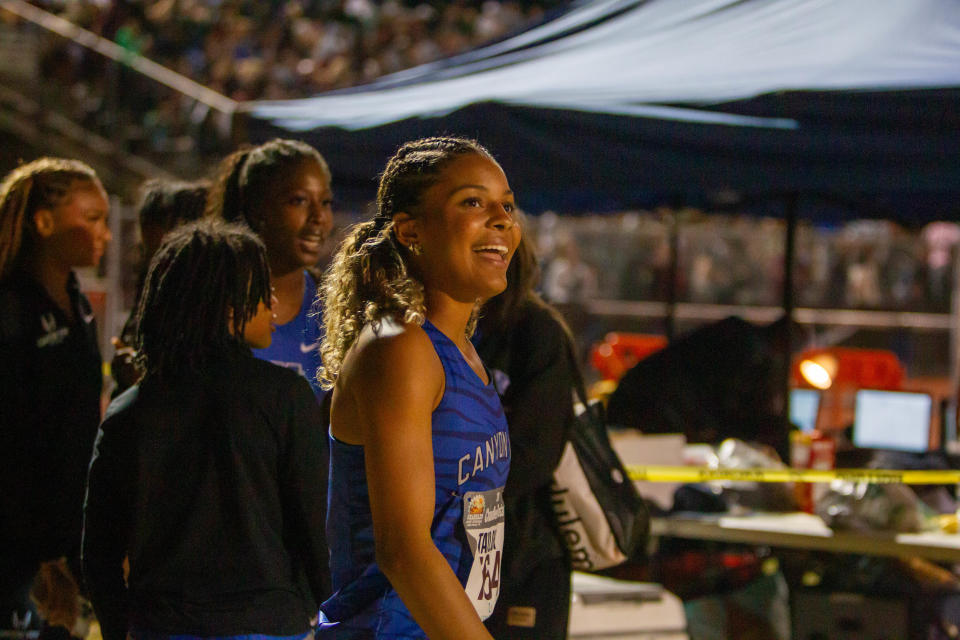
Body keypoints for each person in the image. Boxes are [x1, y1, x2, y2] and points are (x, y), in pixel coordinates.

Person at [82, 219, 331, 640]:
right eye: (260, 291)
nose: (272, 302)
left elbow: (99, 552)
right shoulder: (285, 396)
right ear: (229, 307)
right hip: (268, 624)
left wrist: (119, 627)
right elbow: (314, 526)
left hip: (161, 626)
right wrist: (319, 613)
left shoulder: (129, 411)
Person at [316, 137, 519, 639]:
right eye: (473, 202)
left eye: (507, 205)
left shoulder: (463, 352)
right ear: (411, 231)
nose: (503, 220)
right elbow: (404, 552)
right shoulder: (399, 347)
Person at [0, 157, 111, 639]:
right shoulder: (10, 307)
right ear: (44, 223)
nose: (104, 234)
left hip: (65, 540)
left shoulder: (76, 300)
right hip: (17, 548)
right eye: (91, 220)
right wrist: (41, 550)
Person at [474, 229, 577, 640]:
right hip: (462, 552)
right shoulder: (438, 331)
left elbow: (534, 452)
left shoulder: (537, 332)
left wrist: (460, 496)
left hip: (524, 551)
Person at [207, 138, 334, 397]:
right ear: (257, 210)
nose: (318, 217)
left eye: (325, 202)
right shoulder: (214, 304)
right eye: (298, 201)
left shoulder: (334, 308)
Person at [111, 178, 209, 396]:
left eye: (167, 253)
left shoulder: (215, 312)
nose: (154, 264)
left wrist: (149, 383)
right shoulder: (152, 295)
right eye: (147, 252)